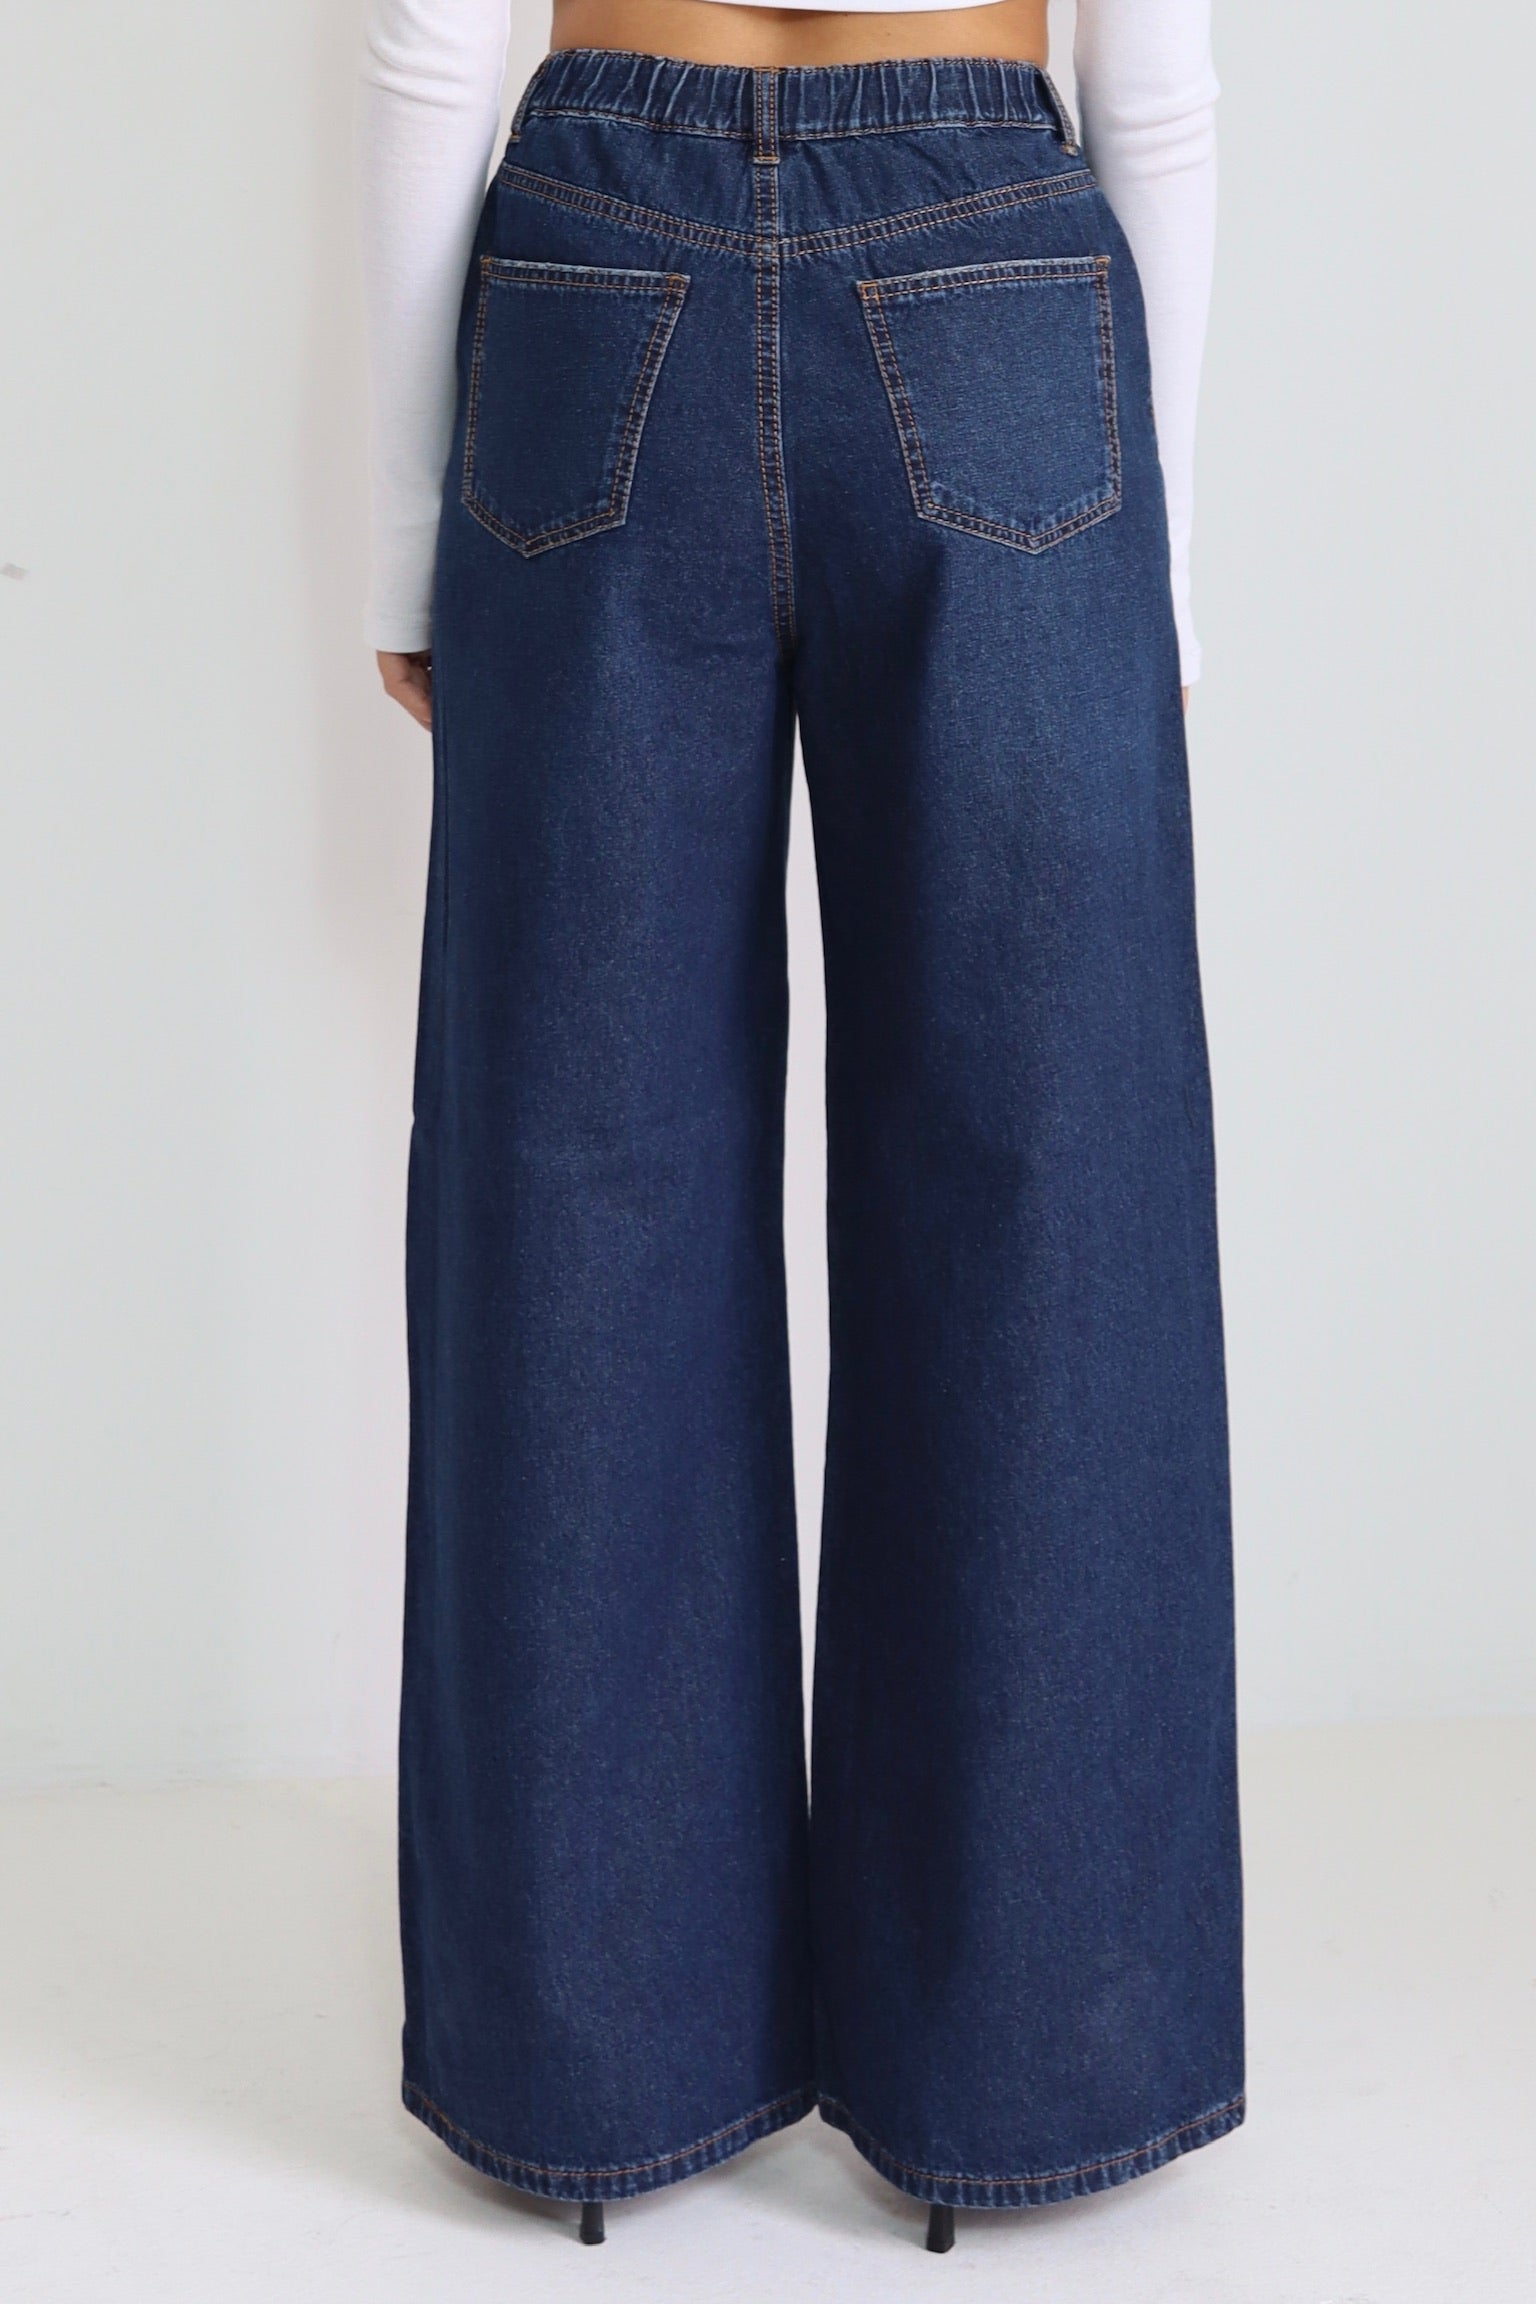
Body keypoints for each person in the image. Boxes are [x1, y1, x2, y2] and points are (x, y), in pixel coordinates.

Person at [360, 0, 1242, 2249]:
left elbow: (432, 39)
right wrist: (1160, 562)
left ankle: (587, 2064)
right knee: (1049, 1172)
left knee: (571, 1178)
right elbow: (1156, 87)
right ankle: (1027, 2063)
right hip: (993, 261)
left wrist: (398, 538)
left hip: (596, 273)